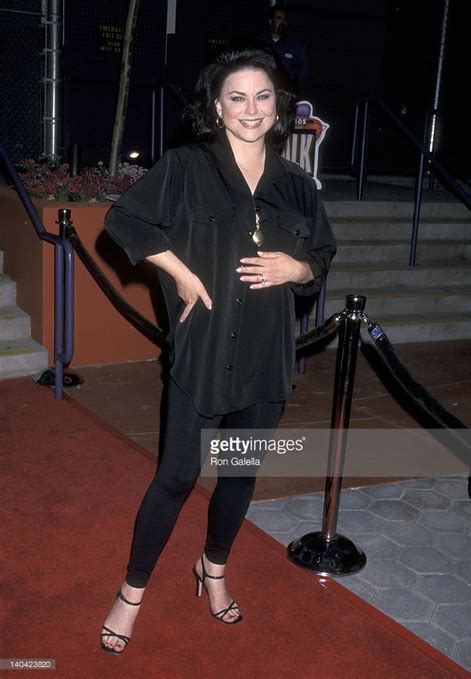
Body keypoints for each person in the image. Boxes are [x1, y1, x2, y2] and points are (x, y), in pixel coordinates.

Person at [100, 48, 336, 655]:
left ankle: (214, 568)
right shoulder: (186, 166)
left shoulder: (297, 186)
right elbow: (124, 221)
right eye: (237, 97)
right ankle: (131, 592)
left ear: (278, 106)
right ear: (216, 107)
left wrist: (297, 268)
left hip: (266, 354)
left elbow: (322, 255)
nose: (251, 109)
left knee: (239, 472)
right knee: (177, 476)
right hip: (204, 349)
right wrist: (180, 273)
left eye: (263, 96)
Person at [257, 2, 309, 93]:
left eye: (284, 19)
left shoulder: (295, 45)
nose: (282, 22)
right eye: (279, 18)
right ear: (270, 21)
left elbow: (303, 70)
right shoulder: (260, 42)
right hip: (264, 89)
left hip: (286, 92)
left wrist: (293, 88)